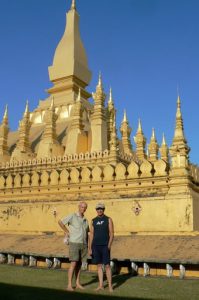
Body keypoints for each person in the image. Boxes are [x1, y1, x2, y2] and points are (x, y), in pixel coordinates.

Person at [58, 202, 89, 291]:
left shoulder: (85, 220)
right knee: (73, 264)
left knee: (79, 264)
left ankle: (78, 283)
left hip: (83, 244)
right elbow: (60, 222)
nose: (83, 208)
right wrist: (67, 232)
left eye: (85, 207)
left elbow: (87, 232)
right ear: (79, 207)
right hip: (74, 243)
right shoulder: (72, 216)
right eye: (82, 207)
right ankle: (69, 285)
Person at [89, 203, 114, 292]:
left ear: (104, 209)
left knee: (107, 266)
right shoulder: (93, 220)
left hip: (105, 246)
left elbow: (111, 233)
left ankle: (110, 286)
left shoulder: (108, 219)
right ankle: (100, 285)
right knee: (99, 265)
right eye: (98, 209)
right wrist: (90, 248)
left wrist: (109, 245)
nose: (99, 210)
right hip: (95, 246)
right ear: (96, 210)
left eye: (101, 208)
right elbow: (91, 234)